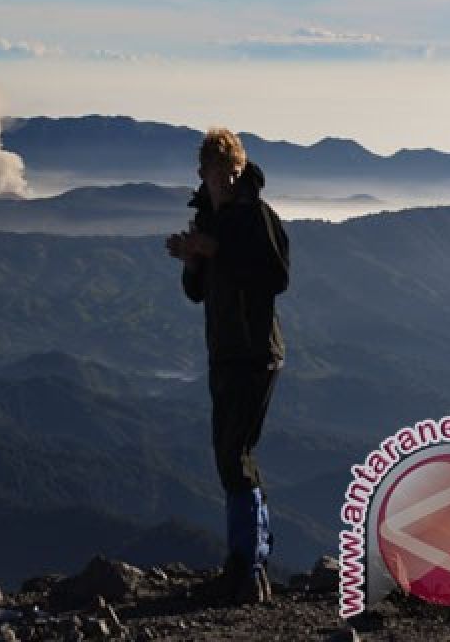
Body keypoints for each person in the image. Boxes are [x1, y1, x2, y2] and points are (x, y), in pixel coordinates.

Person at [165, 127, 290, 605]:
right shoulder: (210, 220)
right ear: (204, 174)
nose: (225, 182)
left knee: (234, 453)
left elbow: (276, 277)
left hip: (255, 352)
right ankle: (249, 565)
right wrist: (192, 259)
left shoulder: (256, 217)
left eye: (232, 172)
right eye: (218, 174)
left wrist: (213, 251)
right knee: (231, 454)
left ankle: (247, 565)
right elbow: (197, 292)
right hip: (225, 350)